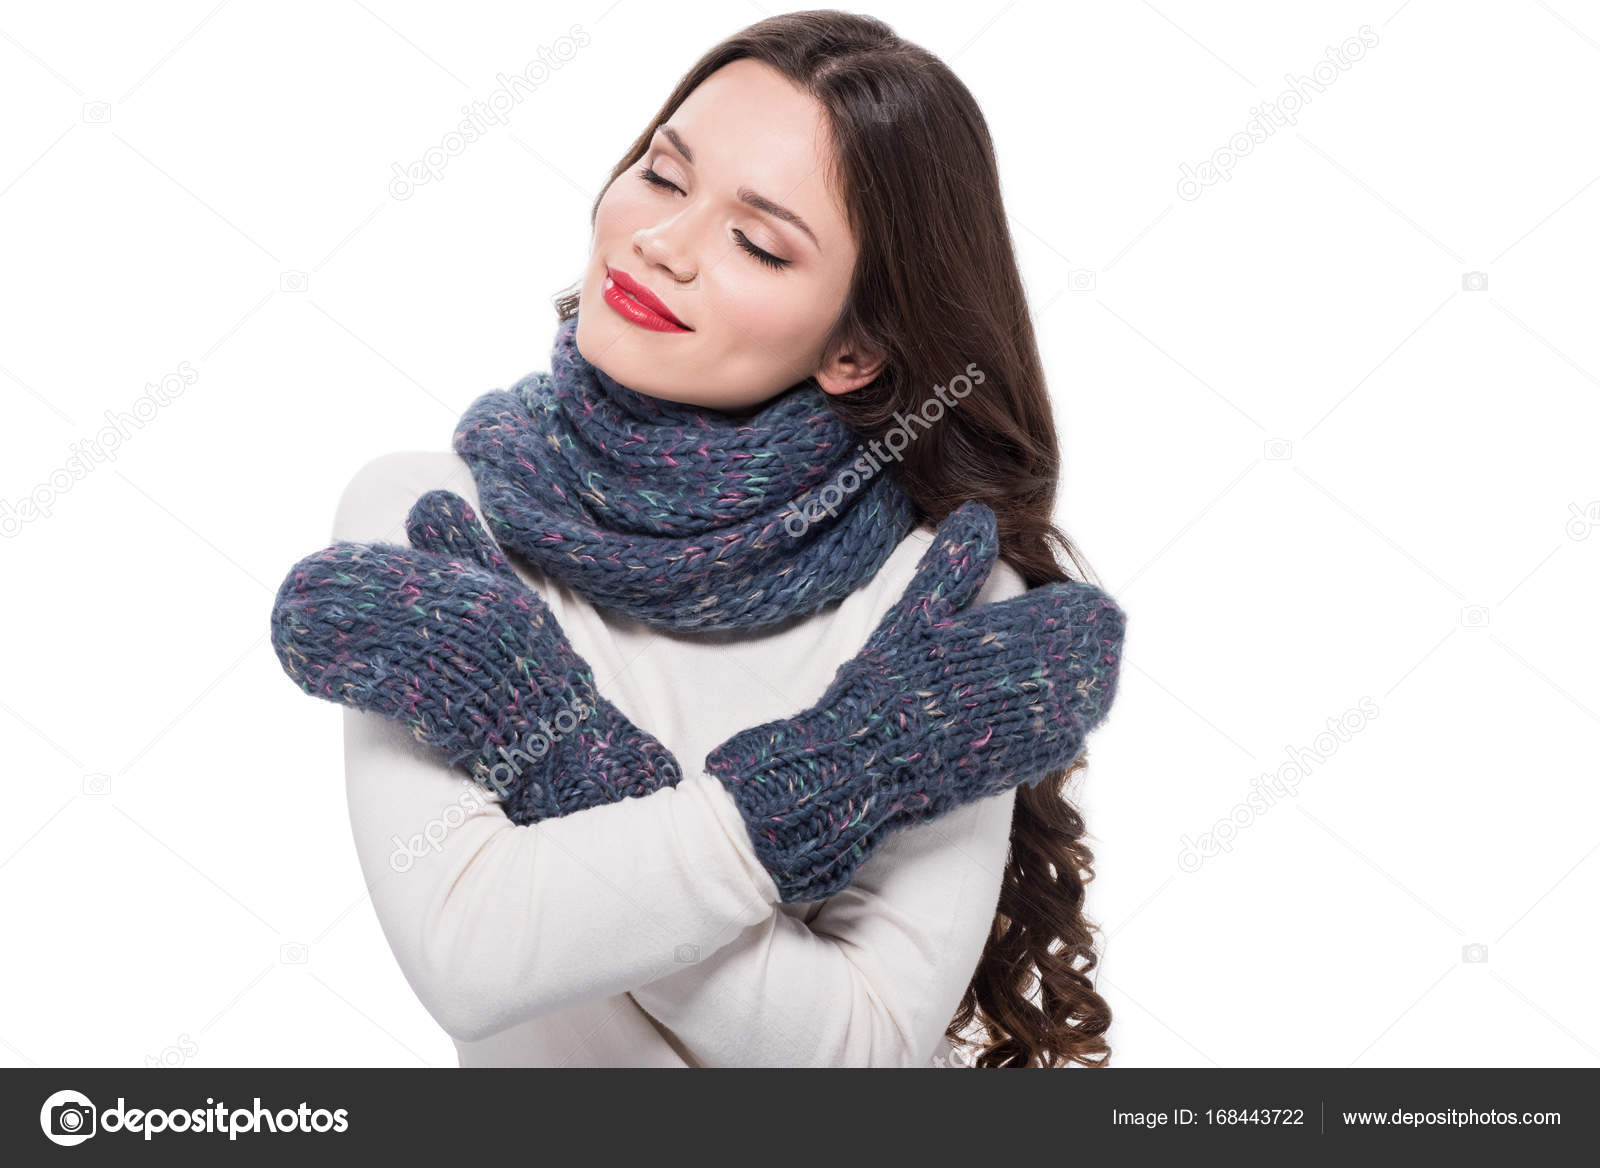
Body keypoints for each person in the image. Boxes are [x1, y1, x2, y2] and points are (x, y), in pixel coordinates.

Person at [272, 10, 1126, 1068]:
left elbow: (857, 1053)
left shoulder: (938, 603)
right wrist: (826, 785)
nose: (662, 242)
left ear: (855, 349)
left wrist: (557, 762)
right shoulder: (432, 516)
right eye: (663, 176)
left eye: (757, 242)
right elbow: (468, 954)